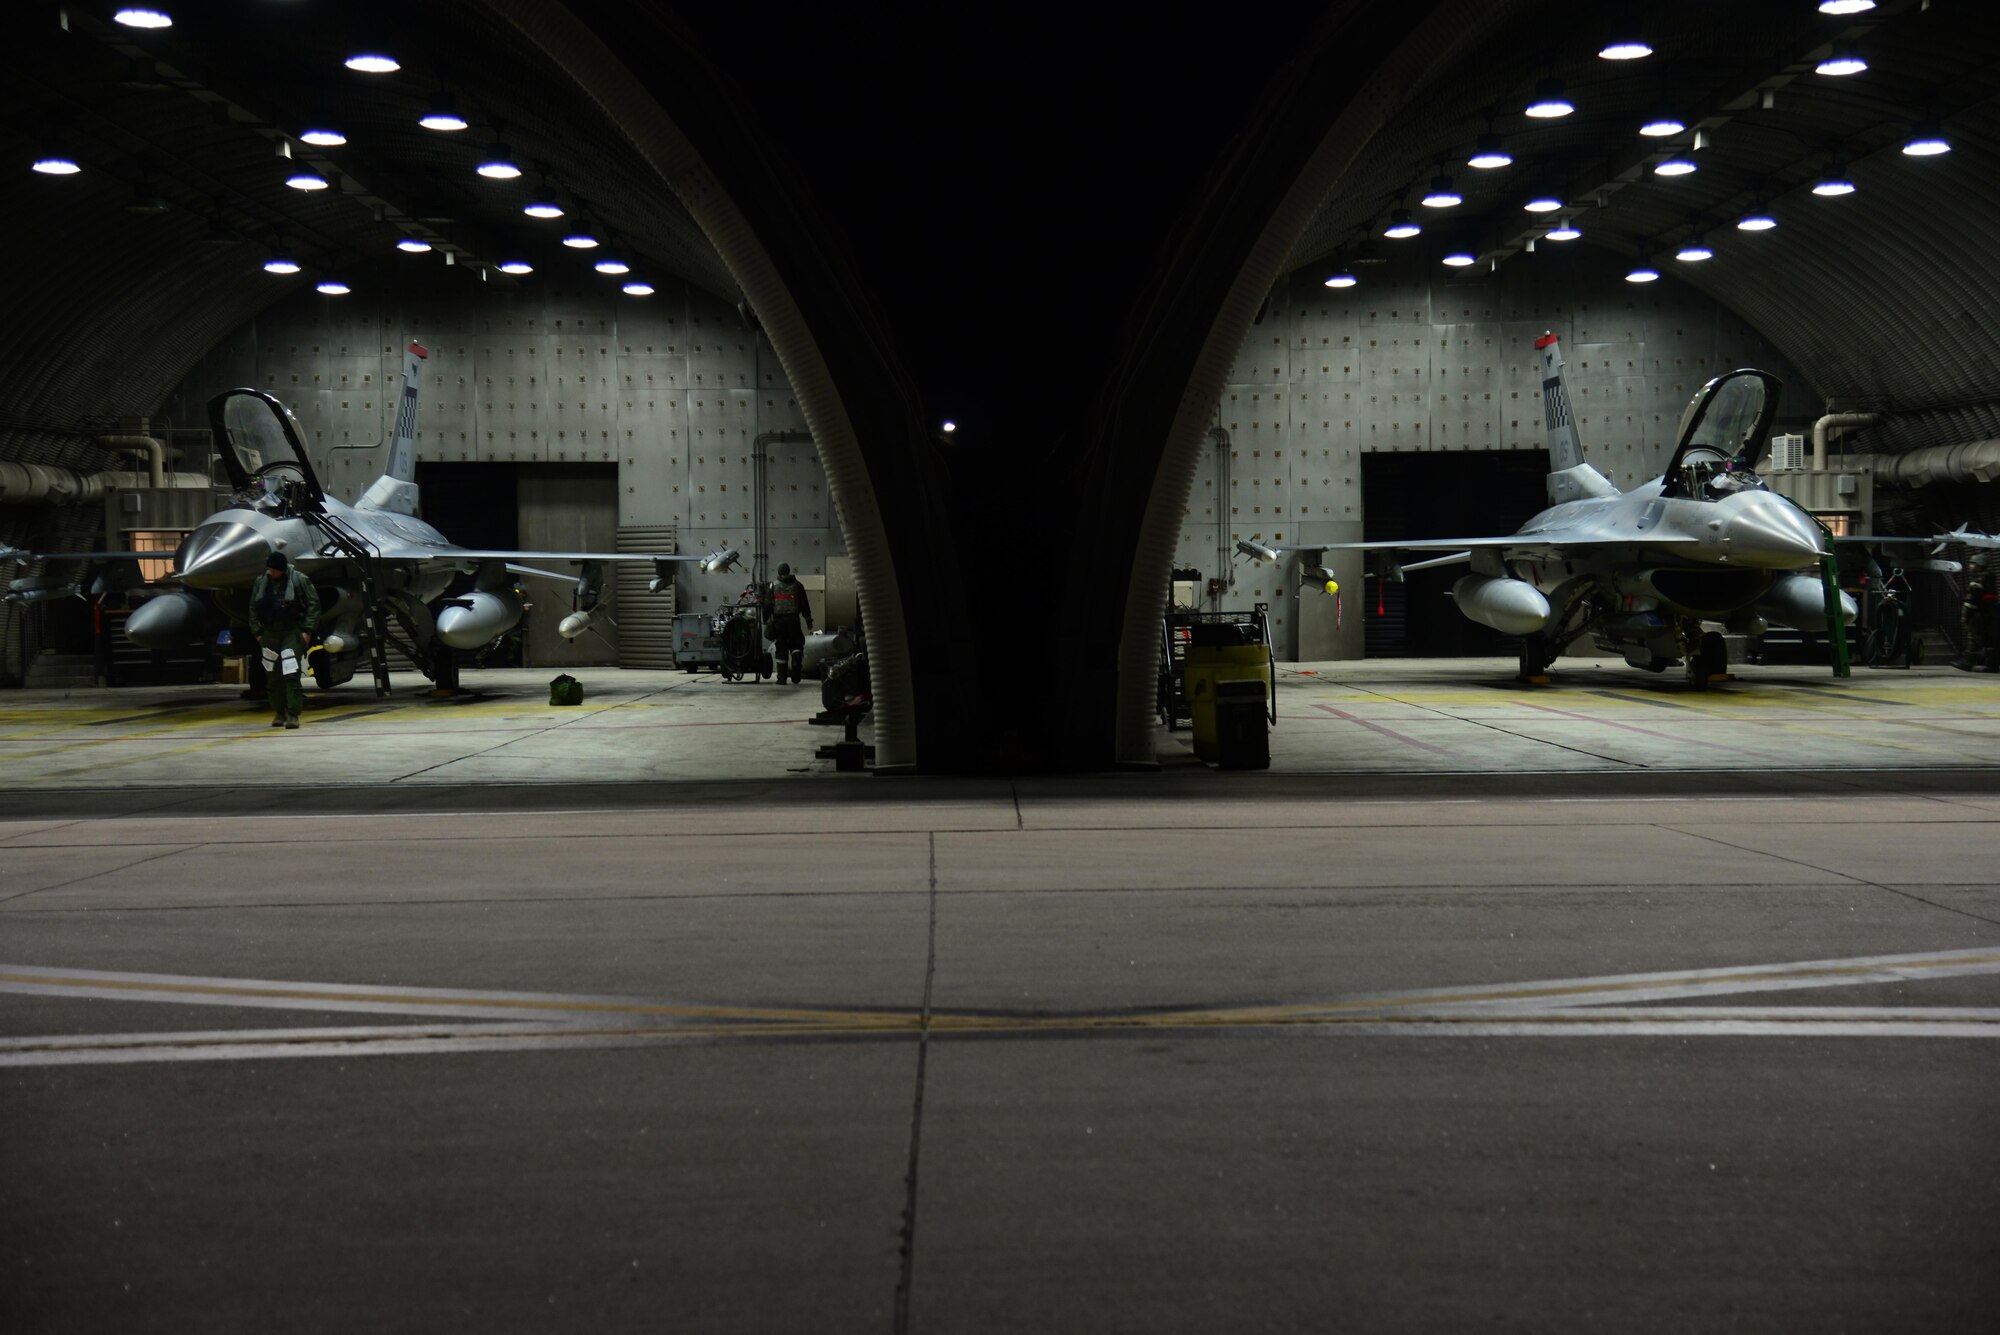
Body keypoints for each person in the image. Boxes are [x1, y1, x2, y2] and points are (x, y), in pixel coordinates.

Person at [249, 551, 319, 728]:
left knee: (291, 673)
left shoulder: (299, 580)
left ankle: (293, 714)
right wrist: (257, 631)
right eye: (269, 569)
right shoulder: (261, 582)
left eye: (274, 570)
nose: (271, 573)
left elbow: (313, 605)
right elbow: (253, 608)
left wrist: (307, 630)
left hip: (291, 633)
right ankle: (279, 712)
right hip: (269, 635)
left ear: (282, 569)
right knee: (272, 675)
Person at [766, 562, 814, 685]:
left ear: (778, 572)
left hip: (779, 622)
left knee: (781, 647)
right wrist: (808, 620)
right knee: (796, 644)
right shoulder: (798, 585)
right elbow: (804, 604)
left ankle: (782, 678)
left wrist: (765, 619)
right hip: (794, 620)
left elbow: (767, 605)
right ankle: (796, 671)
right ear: (788, 571)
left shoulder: (772, 586)